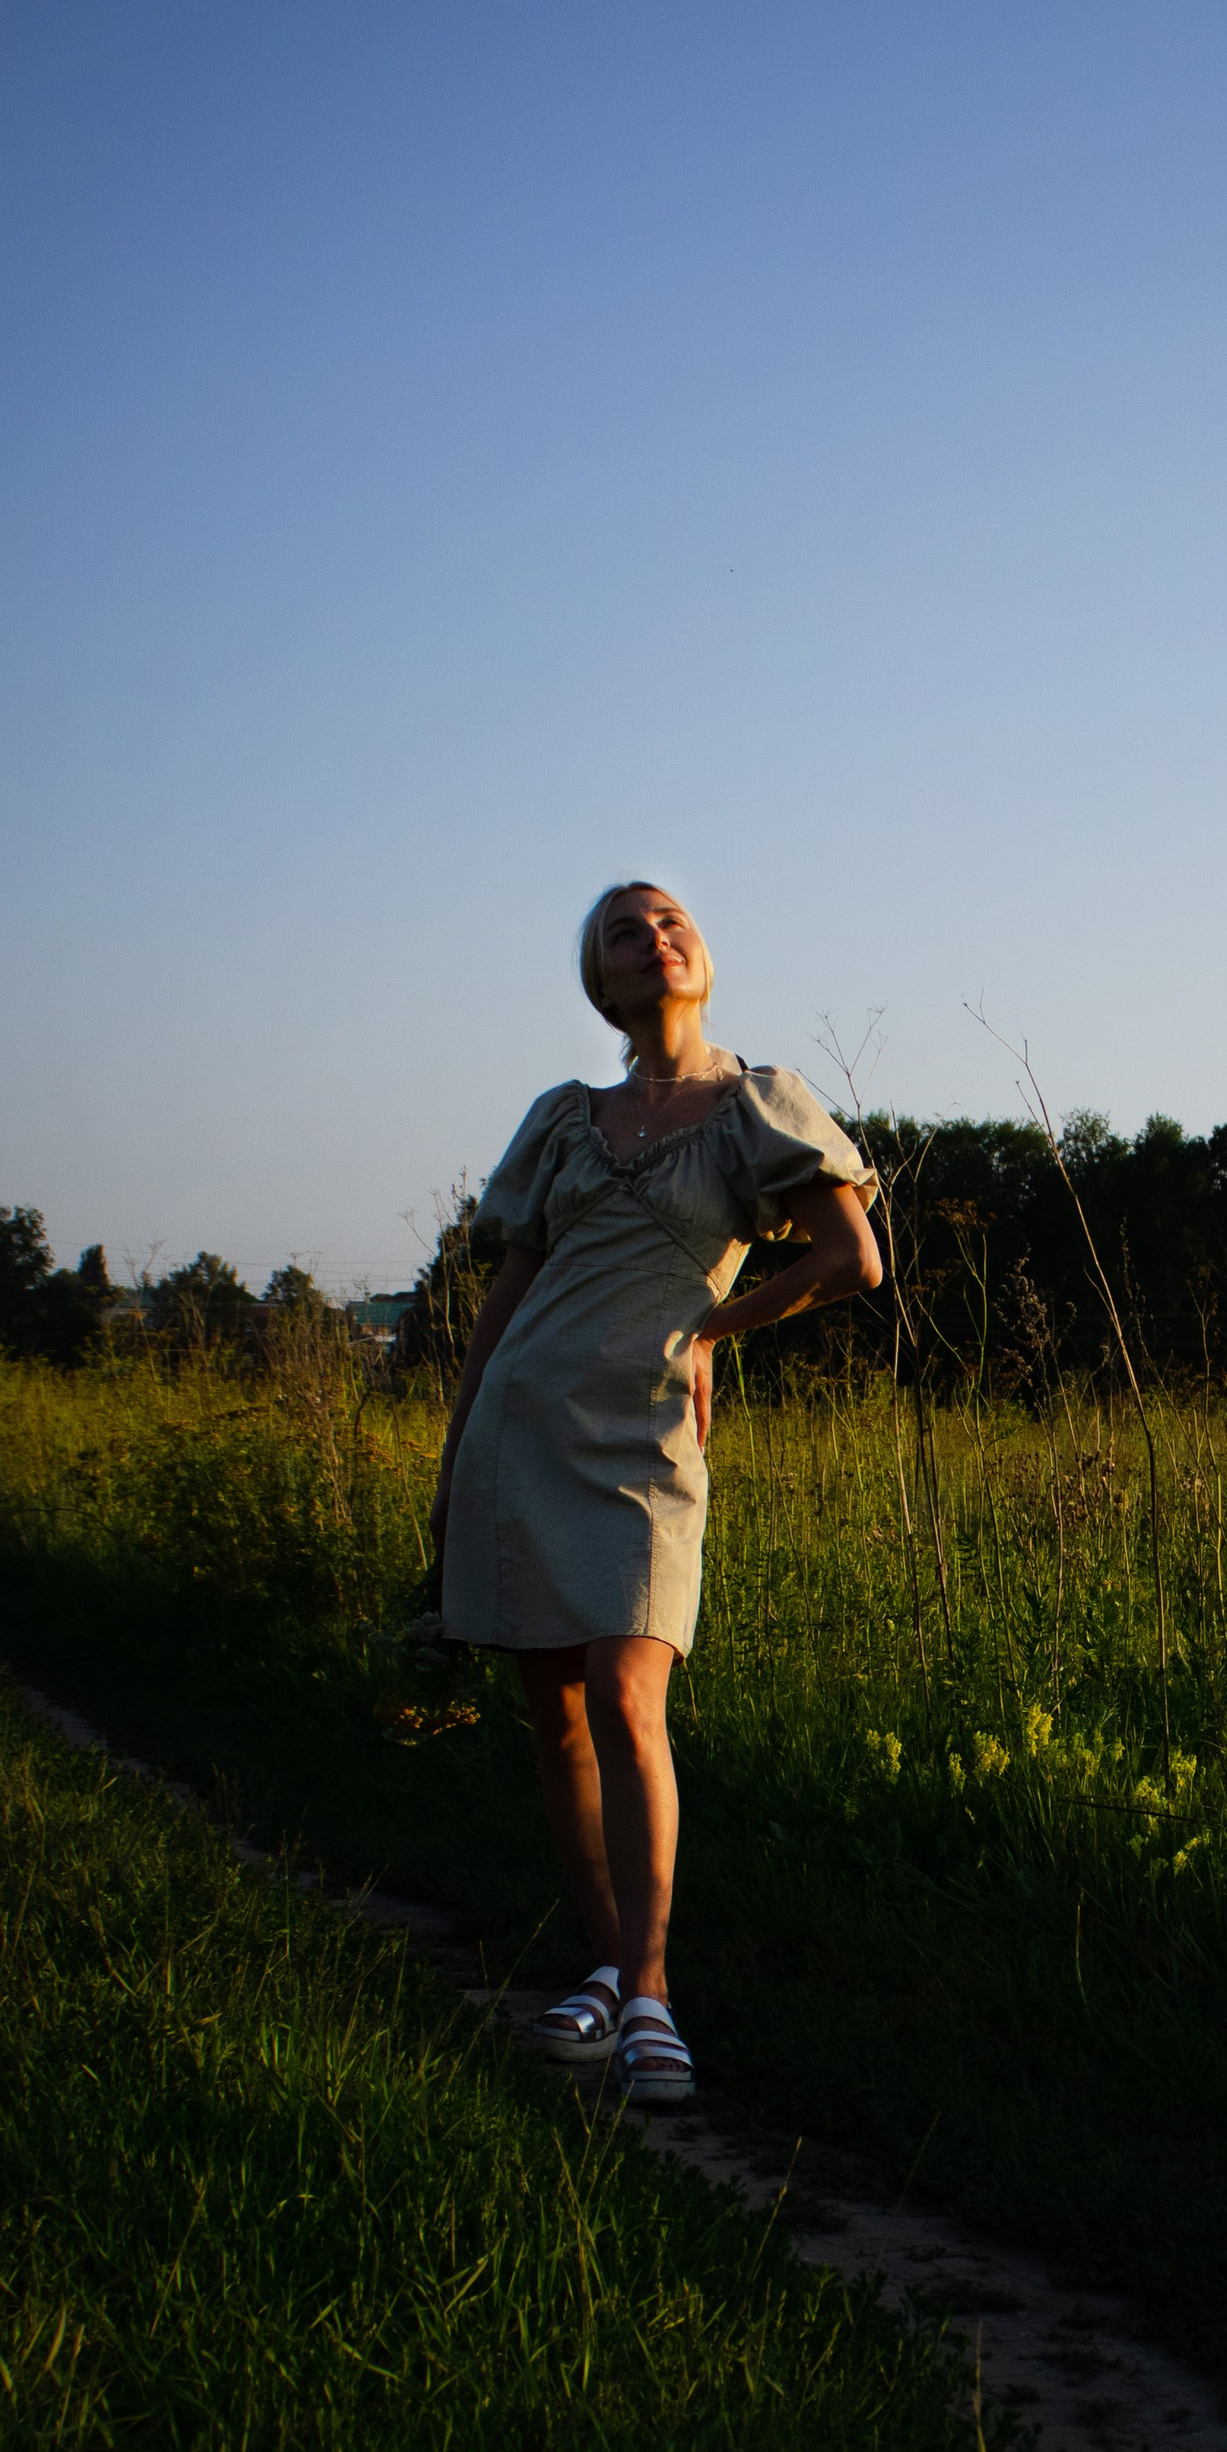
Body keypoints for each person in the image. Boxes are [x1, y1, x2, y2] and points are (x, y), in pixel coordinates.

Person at [430, 881, 881, 2106]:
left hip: (641, 1439)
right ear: (607, 985)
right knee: (559, 1719)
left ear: (702, 959)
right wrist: (455, 1449)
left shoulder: (757, 1105)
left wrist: (709, 1335)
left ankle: (652, 1993)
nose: (657, 936)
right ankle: (606, 1961)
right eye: (628, 932)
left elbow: (851, 1260)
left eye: (672, 920)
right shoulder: (562, 1117)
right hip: (519, 1428)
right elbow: (505, 1297)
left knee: (631, 1695)